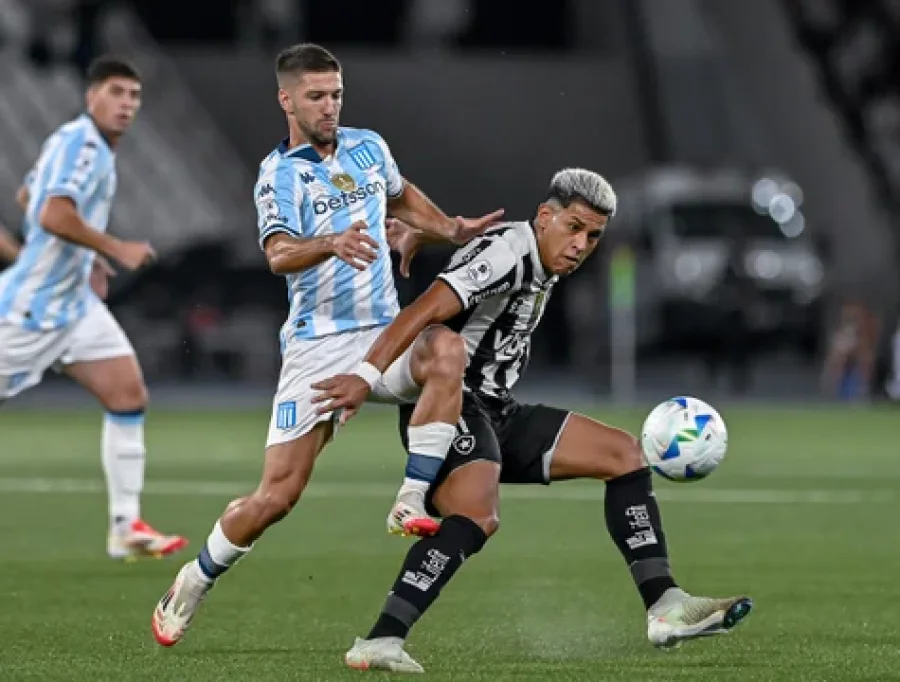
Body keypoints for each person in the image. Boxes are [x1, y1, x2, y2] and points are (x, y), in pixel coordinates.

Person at [313, 168, 753, 673]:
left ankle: (665, 605)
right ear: (545, 218)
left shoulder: (535, 255)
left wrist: (425, 230)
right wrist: (365, 376)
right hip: (451, 405)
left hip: (498, 407)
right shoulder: (510, 253)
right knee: (477, 516)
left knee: (625, 456)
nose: (581, 244)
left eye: (593, 236)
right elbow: (423, 310)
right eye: (574, 227)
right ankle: (381, 639)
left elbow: (474, 244)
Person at [150, 43, 501, 647]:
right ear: (286, 100)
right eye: (316, 96)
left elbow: (398, 192)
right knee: (277, 497)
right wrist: (332, 241)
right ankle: (196, 577)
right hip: (317, 348)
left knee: (446, 349)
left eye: (336, 93)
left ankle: (410, 498)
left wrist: (447, 227)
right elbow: (278, 252)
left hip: (383, 338)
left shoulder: (368, 145)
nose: (330, 106)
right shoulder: (278, 176)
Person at [0, 55, 187, 560]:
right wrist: (112, 248)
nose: (126, 104)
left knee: (128, 394)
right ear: (92, 96)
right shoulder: (81, 144)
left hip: (74, 305)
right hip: (32, 311)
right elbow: (51, 210)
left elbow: (27, 195)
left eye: (134, 96)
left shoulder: (81, 146)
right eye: (116, 93)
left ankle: (126, 527)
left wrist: (84, 258)